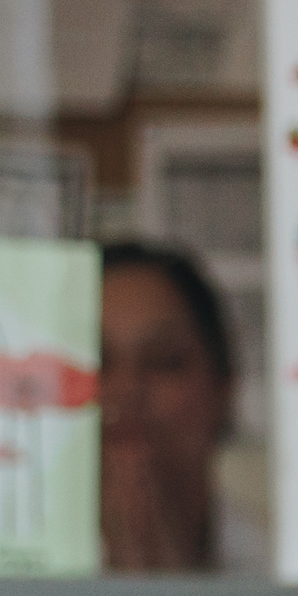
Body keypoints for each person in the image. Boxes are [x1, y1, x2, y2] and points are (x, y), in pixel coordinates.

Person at [96, 238, 254, 573]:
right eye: (98, 360)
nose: (127, 390)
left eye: (165, 361)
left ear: (223, 389)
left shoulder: (285, 575)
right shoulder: (4, 582)